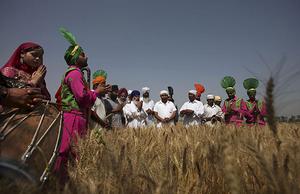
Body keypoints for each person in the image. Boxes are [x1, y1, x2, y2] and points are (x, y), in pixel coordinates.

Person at [54, 27, 103, 183]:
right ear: (75, 58)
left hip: (76, 116)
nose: (86, 56)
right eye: (82, 54)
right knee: (69, 151)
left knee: (74, 151)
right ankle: (61, 182)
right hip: (73, 117)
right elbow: (82, 98)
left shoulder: (75, 73)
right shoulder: (75, 73)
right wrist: (96, 92)